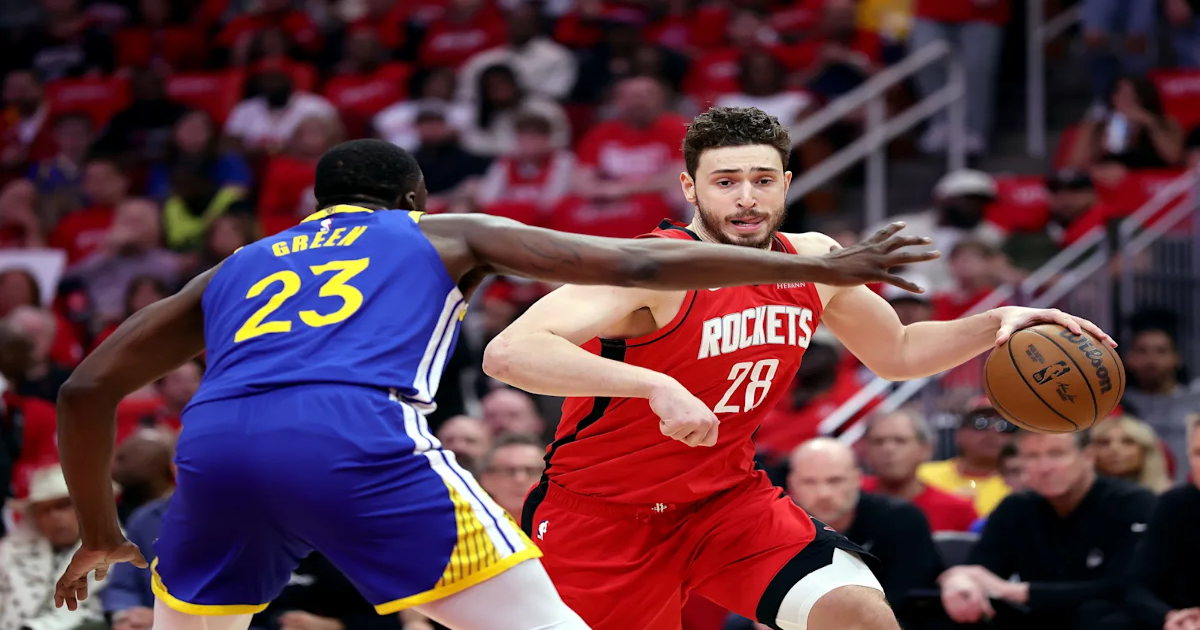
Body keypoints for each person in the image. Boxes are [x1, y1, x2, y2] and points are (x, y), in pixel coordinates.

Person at [51, 137, 938, 630]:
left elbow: (85, 390)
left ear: (317, 206)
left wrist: (99, 531)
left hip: (212, 447)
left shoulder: (237, 265)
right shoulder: (438, 232)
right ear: (414, 198)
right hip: (353, 433)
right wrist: (820, 265)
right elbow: (636, 261)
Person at [485, 106, 1116, 630]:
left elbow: (898, 352)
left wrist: (996, 322)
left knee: (860, 616)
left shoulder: (814, 261)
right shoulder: (649, 268)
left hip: (726, 505)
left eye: (762, 180)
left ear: (786, 183)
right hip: (603, 518)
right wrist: (652, 384)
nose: (746, 198)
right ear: (690, 189)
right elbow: (509, 352)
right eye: (725, 181)